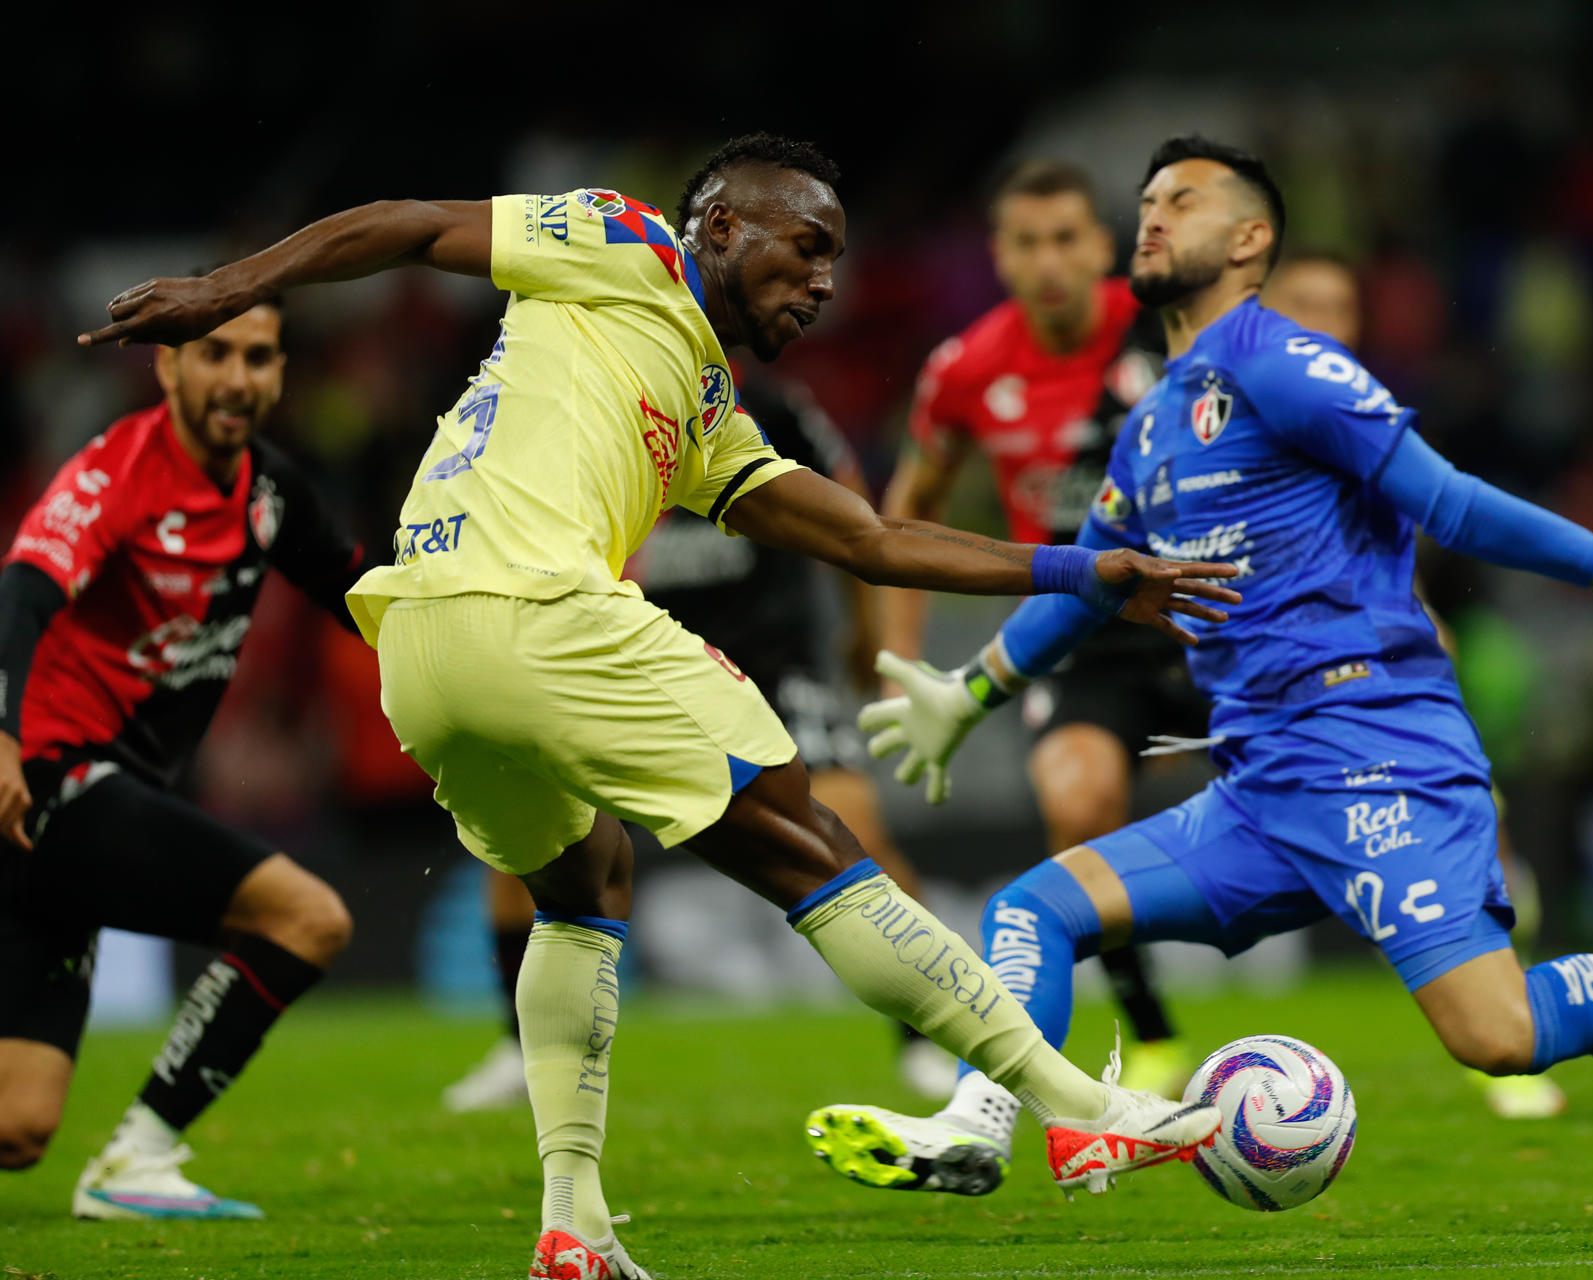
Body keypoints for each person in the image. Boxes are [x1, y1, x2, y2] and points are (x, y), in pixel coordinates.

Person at [79, 134, 1240, 1280]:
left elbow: (871, 537)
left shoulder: (703, 406)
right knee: (811, 843)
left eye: (836, 260)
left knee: (584, 879)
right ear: (723, 225)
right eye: (808, 244)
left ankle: (573, 1223)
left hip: (422, 643)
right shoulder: (623, 236)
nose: (825, 281)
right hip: (534, 604)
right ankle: (1085, 1105)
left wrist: (1081, 570)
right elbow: (412, 223)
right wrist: (222, 289)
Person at [821, 135, 1593, 1197]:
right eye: (1145, 199)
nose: (1152, 214)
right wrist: (969, 692)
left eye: (1182, 200)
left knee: (1498, 1034)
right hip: (1260, 784)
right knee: (1032, 908)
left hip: (1378, 750)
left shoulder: (1284, 363)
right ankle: (975, 1121)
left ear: (1250, 239)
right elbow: (1098, 580)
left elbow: (1451, 501)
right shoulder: (1147, 426)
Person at [443, 371, 952, 1113]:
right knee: (523, 833)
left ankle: (925, 1043)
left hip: (772, 665)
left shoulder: (772, 406)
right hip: (637, 657)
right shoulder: (595, 396)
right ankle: (516, 1045)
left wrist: (864, 636)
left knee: (855, 833)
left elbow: (848, 504)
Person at [0, 299, 360, 1219]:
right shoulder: (117, 470)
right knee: (306, 918)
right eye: (214, 354)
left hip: (88, 820)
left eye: (259, 357)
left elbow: (369, 596)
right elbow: (20, 596)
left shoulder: (273, 494)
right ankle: (136, 1160)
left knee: (18, 1127)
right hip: (55, 782)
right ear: (168, 368)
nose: (237, 378)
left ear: (281, 373)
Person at [880, 159, 1198, 1094]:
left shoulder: (1170, 328)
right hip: (1078, 627)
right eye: (1028, 242)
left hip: (1204, 610)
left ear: (1102, 247)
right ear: (1000, 256)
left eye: (1067, 238)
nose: (1049, 261)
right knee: (1076, 803)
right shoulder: (966, 369)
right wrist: (898, 648)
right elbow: (908, 506)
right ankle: (1149, 1030)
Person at [1263, 252, 1567, 1120]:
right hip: (1265, 686)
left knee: (1486, 836)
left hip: (1373, 679)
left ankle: (1497, 1041)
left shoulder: (1362, 416)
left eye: (1339, 305)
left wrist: (1424, 622)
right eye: (1303, 304)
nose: (1323, 319)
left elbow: (1398, 546)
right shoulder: (1234, 420)